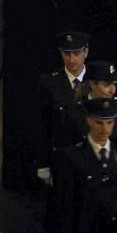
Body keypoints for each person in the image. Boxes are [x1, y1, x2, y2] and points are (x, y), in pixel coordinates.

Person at [48, 95, 117, 233]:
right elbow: (63, 199)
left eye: (109, 122)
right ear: (88, 120)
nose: (104, 129)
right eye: (99, 122)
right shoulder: (72, 156)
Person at [34, 31, 91, 185]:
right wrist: (42, 164)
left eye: (76, 53)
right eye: (66, 54)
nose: (71, 59)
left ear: (86, 52)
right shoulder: (49, 83)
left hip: (92, 161)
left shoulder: (97, 81)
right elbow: (42, 126)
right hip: (61, 161)